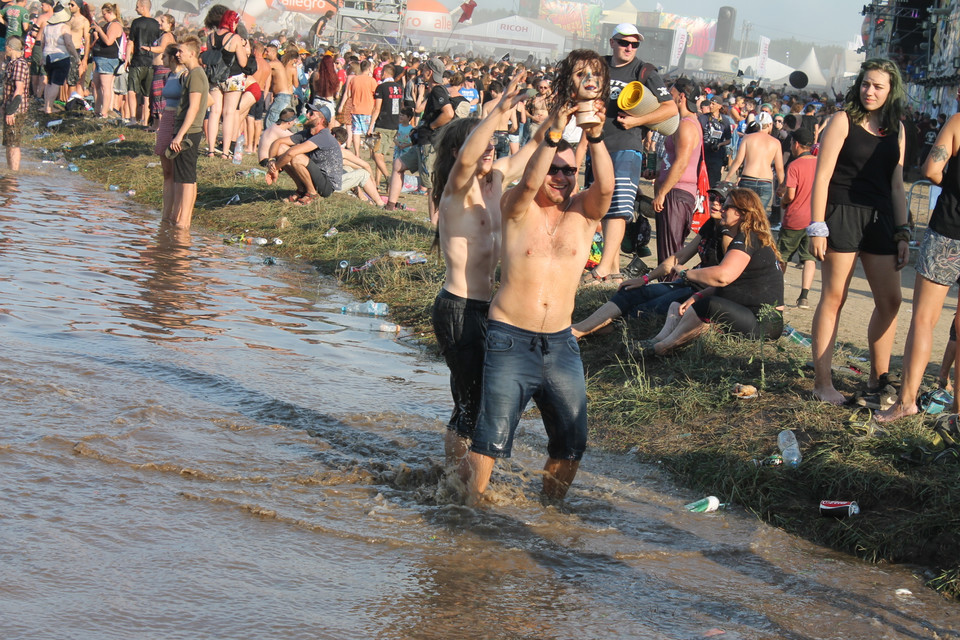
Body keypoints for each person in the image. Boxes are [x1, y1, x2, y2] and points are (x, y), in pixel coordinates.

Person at [457, 100, 614, 505]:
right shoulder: (516, 206)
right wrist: (554, 131)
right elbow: (528, 183)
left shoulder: (584, 213)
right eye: (554, 169)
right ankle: (466, 511)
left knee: (572, 440)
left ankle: (551, 512)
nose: (560, 177)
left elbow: (608, 188)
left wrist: (594, 133)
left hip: (561, 343)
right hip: (510, 337)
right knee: (490, 439)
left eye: (569, 171)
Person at [431, 70, 547, 466]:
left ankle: (457, 477)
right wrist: (497, 110)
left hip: (490, 311)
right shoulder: (456, 189)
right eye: (482, 144)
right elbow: (469, 154)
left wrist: (557, 115)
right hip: (458, 308)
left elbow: (532, 146)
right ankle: (453, 482)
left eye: (493, 144)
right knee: (470, 403)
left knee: (477, 398)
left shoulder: (496, 179)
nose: (490, 150)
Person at [808, 58, 908, 405]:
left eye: (878, 86)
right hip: (842, 212)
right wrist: (817, 225)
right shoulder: (842, 120)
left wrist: (903, 231)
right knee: (834, 298)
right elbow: (821, 176)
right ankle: (823, 383)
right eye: (866, 83)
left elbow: (897, 186)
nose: (869, 91)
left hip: (881, 218)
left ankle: (878, 380)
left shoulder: (897, 127)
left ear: (891, 90)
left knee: (891, 300)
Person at [877, 111, 960, 422]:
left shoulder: (957, 122)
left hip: (949, 229)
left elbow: (931, 169)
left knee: (924, 319)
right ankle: (957, 412)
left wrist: (952, 185)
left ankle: (906, 402)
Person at [572, 182, 734, 338]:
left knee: (645, 309)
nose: (715, 203)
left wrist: (690, 280)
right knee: (631, 291)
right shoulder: (710, 225)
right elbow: (679, 257)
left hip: (701, 291)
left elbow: (726, 279)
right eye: (712, 197)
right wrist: (645, 279)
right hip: (686, 284)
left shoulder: (730, 235)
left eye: (722, 201)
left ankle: (587, 332)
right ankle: (579, 329)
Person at [585, 22, 678, 284]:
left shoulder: (643, 70)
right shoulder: (598, 66)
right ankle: (612, 272)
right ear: (612, 42)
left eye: (634, 44)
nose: (629, 47)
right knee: (598, 208)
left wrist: (636, 122)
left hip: (628, 145)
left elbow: (670, 109)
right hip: (598, 144)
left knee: (619, 208)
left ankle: (603, 269)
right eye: (624, 42)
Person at [641, 188, 785, 357]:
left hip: (764, 322)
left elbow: (723, 277)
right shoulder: (747, 236)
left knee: (707, 305)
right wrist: (697, 296)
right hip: (750, 313)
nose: (722, 209)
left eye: (727, 206)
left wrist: (686, 274)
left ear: (741, 213)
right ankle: (655, 341)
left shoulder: (748, 238)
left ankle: (662, 348)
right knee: (678, 304)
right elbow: (734, 284)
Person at [384, 57, 453, 222]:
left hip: (430, 145)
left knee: (431, 186)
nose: (421, 72)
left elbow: (448, 114)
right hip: (422, 142)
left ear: (430, 73)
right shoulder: (433, 90)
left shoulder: (438, 91)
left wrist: (432, 127)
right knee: (398, 165)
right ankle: (390, 206)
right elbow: (419, 109)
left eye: (424, 70)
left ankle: (433, 224)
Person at [652, 77, 701, 263]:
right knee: (670, 250)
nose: (667, 97)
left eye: (670, 93)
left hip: (677, 192)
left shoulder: (686, 125)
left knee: (670, 254)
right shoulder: (687, 122)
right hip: (678, 192)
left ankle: (667, 289)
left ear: (681, 97)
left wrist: (662, 192)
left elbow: (681, 162)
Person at [166, 35, 208, 229]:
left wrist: (180, 135)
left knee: (187, 177)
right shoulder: (192, 74)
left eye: (181, 51)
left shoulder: (196, 74)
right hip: (188, 129)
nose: (177, 54)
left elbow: (193, 107)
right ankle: (180, 218)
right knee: (182, 175)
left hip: (190, 131)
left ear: (192, 53)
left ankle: (184, 221)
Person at [265, 102, 341, 206]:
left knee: (296, 157)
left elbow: (292, 153)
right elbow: (277, 142)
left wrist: (275, 168)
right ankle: (301, 190)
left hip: (326, 185)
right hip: (313, 175)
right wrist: (271, 160)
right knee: (281, 149)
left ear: (321, 120)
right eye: (308, 112)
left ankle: (312, 194)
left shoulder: (324, 136)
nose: (306, 115)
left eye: (311, 113)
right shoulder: (307, 133)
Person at [777, 127, 818, 309]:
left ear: (797, 144)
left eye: (792, 143)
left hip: (794, 218)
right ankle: (804, 297)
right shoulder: (820, 163)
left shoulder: (794, 165)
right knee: (809, 258)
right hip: (814, 218)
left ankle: (777, 292)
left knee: (782, 256)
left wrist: (783, 202)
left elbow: (790, 195)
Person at [724, 111, 784, 217]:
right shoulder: (775, 142)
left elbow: (738, 160)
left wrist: (728, 178)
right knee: (759, 215)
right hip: (765, 181)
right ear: (770, 125)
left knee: (744, 214)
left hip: (748, 178)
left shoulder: (748, 138)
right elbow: (779, 168)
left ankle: (744, 233)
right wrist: (781, 185)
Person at [153, 42, 182, 221]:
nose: (161, 58)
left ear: (172, 57)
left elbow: (206, 101)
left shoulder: (183, 75)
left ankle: (176, 213)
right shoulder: (169, 75)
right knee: (167, 171)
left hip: (176, 120)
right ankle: (165, 214)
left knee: (176, 170)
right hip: (166, 119)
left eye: (164, 56)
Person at [124, 0, 158, 126]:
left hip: (137, 60)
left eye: (137, 7)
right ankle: (145, 120)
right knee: (147, 94)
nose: (135, 9)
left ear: (143, 8)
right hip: (151, 61)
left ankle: (133, 119)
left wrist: (127, 59)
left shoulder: (136, 23)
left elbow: (131, 42)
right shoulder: (156, 24)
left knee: (132, 90)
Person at [41, 3, 79, 114]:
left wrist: (42, 57)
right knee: (56, 83)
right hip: (60, 57)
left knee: (49, 82)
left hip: (47, 56)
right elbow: (68, 43)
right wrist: (76, 56)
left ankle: (46, 106)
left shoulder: (47, 27)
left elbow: (42, 43)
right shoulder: (64, 27)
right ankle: (49, 107)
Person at [369, 63, 402, 188]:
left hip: (382, 124)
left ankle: (388, 178)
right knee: (381, 155)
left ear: (384, 73)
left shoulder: (381, 87)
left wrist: (371, 125)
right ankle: (377, 182)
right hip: (394, 125)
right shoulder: (399, 88)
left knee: (375, 154)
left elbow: (377, 108)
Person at [140, 12, 174, 128]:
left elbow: (162, 48)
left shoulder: (167, 36)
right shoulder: (163, 35)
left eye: (162, 21)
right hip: (158, 68)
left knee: (159, 96)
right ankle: (155, 125)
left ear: (170, 24)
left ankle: (160, 126)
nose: (159, 23)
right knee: (155, 96)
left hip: (162, 69)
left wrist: (148, 48)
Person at [89, 2, 122, 118]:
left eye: (104, 14)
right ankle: (97, 110)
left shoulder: (115, 25)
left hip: (108, 59)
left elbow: (109, 41)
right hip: (100, 59)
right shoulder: (109, 24)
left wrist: (100, 30)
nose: (103, 16)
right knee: (96, 84)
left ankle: (104, 112)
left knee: (105, 86)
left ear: (110, 12)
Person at [2, 36, 30, 171]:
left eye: (5, 46)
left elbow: (19, 89)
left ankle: (13, 175)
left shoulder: (19, 64)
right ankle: (10, 172)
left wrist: (11, 111)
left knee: (13, 144)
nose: (4, 49)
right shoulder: (11, 63)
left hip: (16, 110)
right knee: (9, 143)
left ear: (10, 47)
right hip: (9, 108)